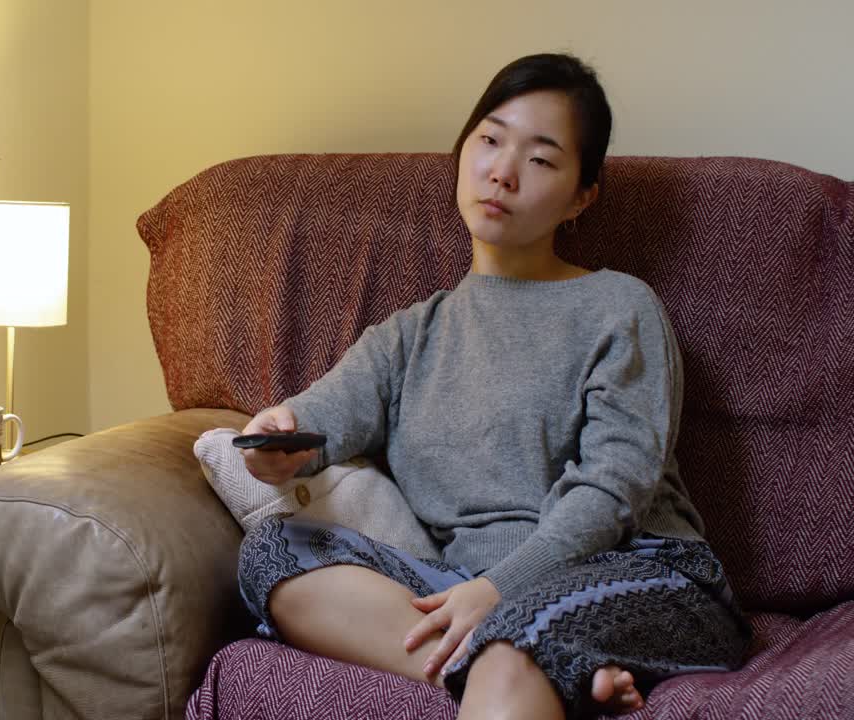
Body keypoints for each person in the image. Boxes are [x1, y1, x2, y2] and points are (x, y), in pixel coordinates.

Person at [236, 53, 752, 720]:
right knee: (272, 551)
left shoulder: (618, 307)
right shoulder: (409, 336)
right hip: (463, 588)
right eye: (489, 139)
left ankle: (523, 655)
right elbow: (315, 424)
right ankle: (557, 667)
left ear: (581, 195)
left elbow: (613, 487)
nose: (502, 172)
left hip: (638, 570)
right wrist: (277, 440)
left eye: (540, 159)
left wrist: (498, 590)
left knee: (511, 640)